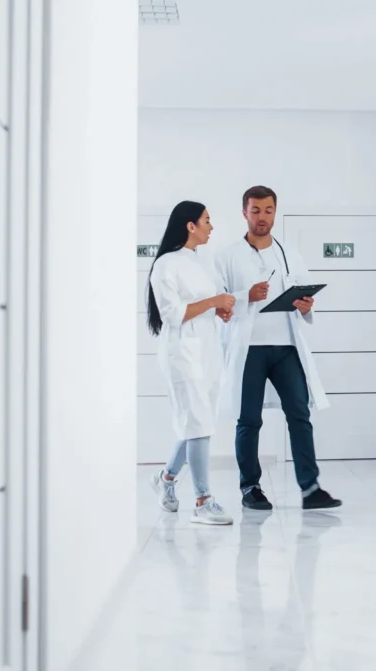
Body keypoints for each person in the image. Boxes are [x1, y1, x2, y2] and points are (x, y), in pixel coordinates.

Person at [215, 185, 341, 511]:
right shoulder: (226, 257)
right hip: (250, 350)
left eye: (268, 210)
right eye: (255, 210)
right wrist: (247, 297)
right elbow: (220, 306)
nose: (262, 217)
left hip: (286, 346)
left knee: (300, 414)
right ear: (244, 212)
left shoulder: (290, 254)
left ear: (275, 211)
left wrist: (305, 304)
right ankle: (250, 488)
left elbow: (303, 298)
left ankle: (310, 488)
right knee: (249, 420)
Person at [146, 201, 235, 525]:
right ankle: (202, 500)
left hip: (207, 351)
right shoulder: (166, 265)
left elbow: (200, 305)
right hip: (181, 354)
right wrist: (213, 301)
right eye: (207, 221)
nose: (211, 227)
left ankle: (166, 480)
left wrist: (218, 309)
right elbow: (172, 313)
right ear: (190, 225)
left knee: (198, 423)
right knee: (197, 423)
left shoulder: (199, 261)